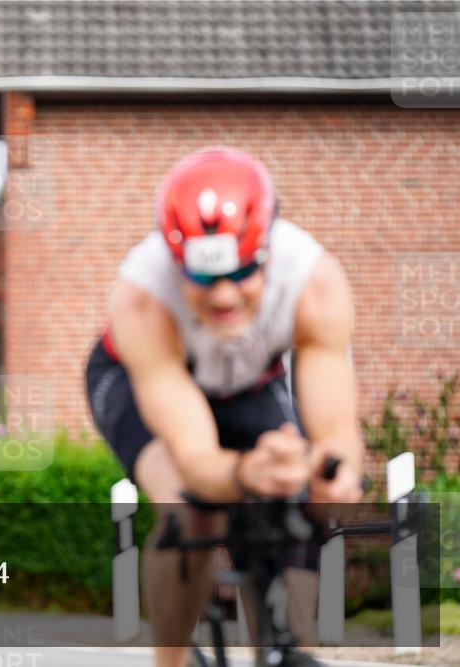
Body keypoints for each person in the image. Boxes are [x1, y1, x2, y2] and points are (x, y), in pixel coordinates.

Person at [85, 147, 363, 667]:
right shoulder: (141, 296)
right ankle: (168, 661)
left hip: (246, 382)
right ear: (175, 263)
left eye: (242, 274)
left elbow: (336, 435)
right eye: (206, 279)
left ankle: (285, 650)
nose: (225, 297)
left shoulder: (316, 284)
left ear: (268, 252)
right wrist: (245, 472)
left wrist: (332, 478)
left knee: (302, 498)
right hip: (140, 378)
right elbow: (195, 460)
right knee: (191, 510)